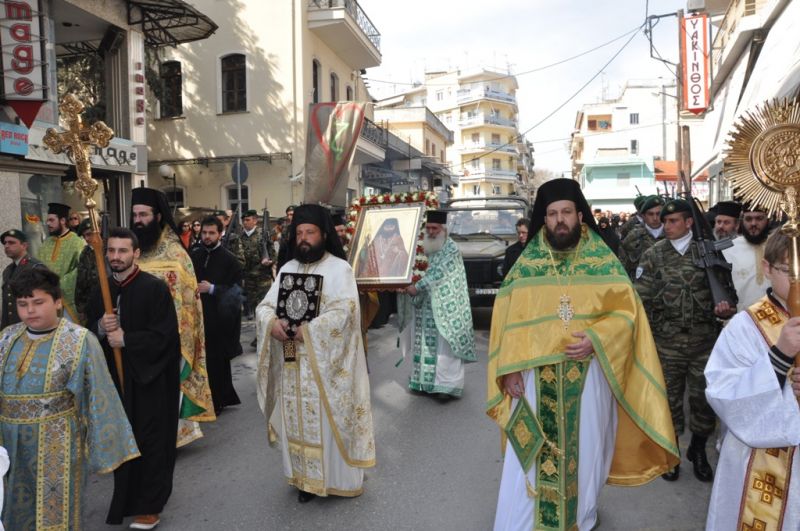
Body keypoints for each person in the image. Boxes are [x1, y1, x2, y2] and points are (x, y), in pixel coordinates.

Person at [488, 179, 679, 531]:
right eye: (552, 214)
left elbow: (627, 314)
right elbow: (507, 322)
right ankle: (522, 523)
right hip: (532, 378)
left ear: (580, 215)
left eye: (566, 213)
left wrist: (596, 336)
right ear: (543, 219)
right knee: (528, 456)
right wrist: (509, 370)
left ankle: (580, 517)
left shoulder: (602, 260)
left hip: (589, 376)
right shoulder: (527, 265)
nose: (560, 220)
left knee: (587, 451)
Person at [0, 267, 139, 529]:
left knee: (56, 515)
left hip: (58, 444)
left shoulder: (78, 340)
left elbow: (99, 395)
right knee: (13, 511)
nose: (30, 311)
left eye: (38, 302)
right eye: (23, 304)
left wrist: (103, 447)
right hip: (9, 444)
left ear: (57, 302)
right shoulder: (7, 337)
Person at [255, 204, 375, 503]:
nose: (304, 238)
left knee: (323, 418)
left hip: (324, 364)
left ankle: (334, 480)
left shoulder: (339, 268)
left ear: (323, 234)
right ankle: (303, 480)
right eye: (299, 233)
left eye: (310, 232)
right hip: (292, 356)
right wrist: (272, 324)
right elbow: (264, 306)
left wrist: (307, 329)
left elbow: (346, 312)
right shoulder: (287, 268)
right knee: (295, 417)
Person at [704, 230, 800, 530]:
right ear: (767, 269)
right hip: (760, 464)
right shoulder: (745, 327)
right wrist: (781, 355)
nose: (799, 281)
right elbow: (724, 395)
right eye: (790, 271)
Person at [85, 228, 181, 529]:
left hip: (149, 381)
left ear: (135, 253)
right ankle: (126, 500)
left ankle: (150, 506)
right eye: (111, 251)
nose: (115, 257)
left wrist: (128, 340)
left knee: (151, 442)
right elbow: (88, 334)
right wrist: (101, 326)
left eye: (122, 251)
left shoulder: (154, 288)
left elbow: (166, 337)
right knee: (123, 443)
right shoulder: (99, 289)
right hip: (114, 381)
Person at [635, 198, 736, 483]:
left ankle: (698, 449)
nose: (665, 225)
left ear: (689, 222)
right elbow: (638, 297)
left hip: (704, 344)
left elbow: (728, 294)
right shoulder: (653, 255)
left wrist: (725, 307)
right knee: (668, 402)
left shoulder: (708, 251)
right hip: (667, 344)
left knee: (703, 401)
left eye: (673, 221)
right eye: (664, 221)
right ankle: (672, 454)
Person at [130, 187, 214, 445]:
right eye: (135, 215)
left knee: (165, 389)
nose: (138, 221)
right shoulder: (130, 251)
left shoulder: (176, 255)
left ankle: (171, 435)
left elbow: (188, 302)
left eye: (143, 215)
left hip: (169, 334)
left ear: (157, 216)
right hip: (133, 334)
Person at [402, 210, 476, 397]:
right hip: (428, 305)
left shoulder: (450, 248)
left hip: (446, 306)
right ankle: (422, 383)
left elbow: (438, 273)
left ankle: (447, 386)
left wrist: (416, 287)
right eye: (428, 228)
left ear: (443, 229)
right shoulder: (429, 248)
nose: (431, 232)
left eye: (435, 228)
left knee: (445, 348)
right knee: (425, 345)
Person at [191, 216, 243, 415]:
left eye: (211, 233)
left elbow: (237, 292)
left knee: (216, 361)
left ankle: (218, 400)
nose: (207, 236)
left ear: (220, 233)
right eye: (204, 233)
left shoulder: (230, 260)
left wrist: (212, 288)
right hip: (197, 316)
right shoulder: (193, 255)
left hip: (219, 319)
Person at [37, 202, 85, 322]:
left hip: (68, 301)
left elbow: (81, 269)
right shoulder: (46, 243)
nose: (48, 224)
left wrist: (59, 284)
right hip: (47, 298)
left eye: (51, 220)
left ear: (63, 220)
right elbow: (38, 267)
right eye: (47, 220)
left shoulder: (77, 242)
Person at [721, 203, 772, 311]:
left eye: (759, 218)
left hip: (777, 321)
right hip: (740, 320)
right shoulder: (728, 249)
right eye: (748, 219)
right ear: (741, 222)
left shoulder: (779, 246)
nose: (753, 223)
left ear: (768, 220)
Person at [2, 229, 44, 330]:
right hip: (11, 328)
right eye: (5, 243)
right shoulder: (8, 270)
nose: (7, 246)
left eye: (11, 242)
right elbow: (7, 303)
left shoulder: (35, 267)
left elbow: (42, 300)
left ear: (24, 246)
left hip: (30, 327)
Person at [239, 209, 275, 321]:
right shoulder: (240, 236)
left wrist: (269, 261)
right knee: (253, 306)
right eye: (243, 220)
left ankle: (265, 333)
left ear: (255, 221)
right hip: (248, 277)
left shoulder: (263, 234)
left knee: (264, 307)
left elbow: (273, 253)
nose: (245, 222)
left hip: (262, 276)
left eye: (247, 220)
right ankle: (257, 334)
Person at [619, 195, 665, 278]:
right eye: (650, 214)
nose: (655, 218)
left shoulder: (672, 235)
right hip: (640, 286)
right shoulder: (633, 236)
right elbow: (622, 263)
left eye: (658, 214)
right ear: (643, 216)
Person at [75, 218, 100, 326]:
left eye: (89, 234)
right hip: (91, 303)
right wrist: (80, 308)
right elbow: (81, 282)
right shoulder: (85, 253)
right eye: (84, 236)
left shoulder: (109, 249)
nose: (87, 238)